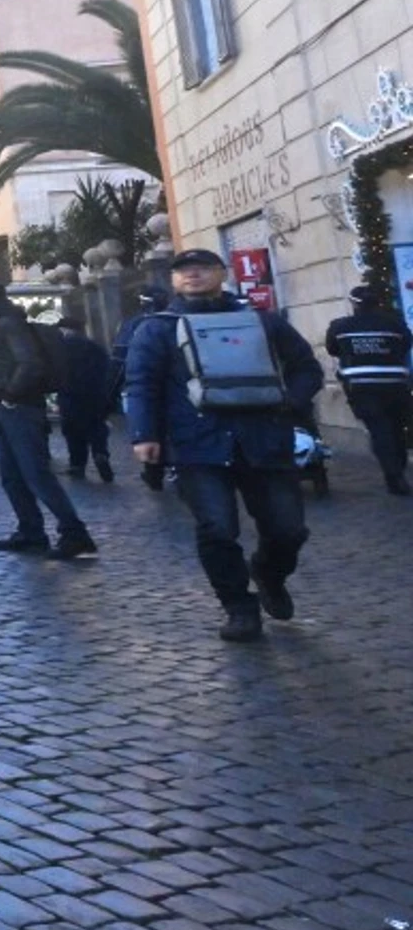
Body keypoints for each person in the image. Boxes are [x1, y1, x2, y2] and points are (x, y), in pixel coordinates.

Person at [126, 248, 326, 640]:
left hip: (265, 439)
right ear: (173, 280)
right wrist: (144, 434)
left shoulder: (263, 321)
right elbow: (142, 384)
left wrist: (290, 403)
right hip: (197, 445)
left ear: (223, 273)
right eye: (184, 270)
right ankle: (238, 606)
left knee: (289, 530)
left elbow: (306, 367)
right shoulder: (156, 328)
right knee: (217, 528)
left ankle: (268, 574)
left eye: (202, 268)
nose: (193, 275)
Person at [0, 279, 99, 559]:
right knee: (12, 476)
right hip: (5, 407)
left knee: (35, 474)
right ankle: (30, 531)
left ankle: (75, 534)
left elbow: (29, 362)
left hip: (19, 407)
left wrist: (10, 396)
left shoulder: (7, 324)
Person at [324, 284, 413, 496]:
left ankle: (394, 475)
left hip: (362, 386)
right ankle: (398, 469)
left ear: (354, 304)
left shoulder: (340, 326)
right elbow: (406, 345)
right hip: (395, 384)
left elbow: (332, 349)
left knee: (380, 430)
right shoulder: (395, 324)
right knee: (396, 428)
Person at [111, 286, 173, 488]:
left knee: (148, 421)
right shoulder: (177, 318)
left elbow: (120, 357)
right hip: (176, 384)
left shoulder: (133, 324)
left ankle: (153, 470)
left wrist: (114, 388)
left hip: (143, 383)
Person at [54, 315, 115, 481]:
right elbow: (107, 370)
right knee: (96, 428)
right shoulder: (95, 346)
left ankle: (77, 464)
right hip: (96, 395)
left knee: (73, 432)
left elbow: (57, 371)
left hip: (70, 396)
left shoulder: (62, 347)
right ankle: (101, 453)